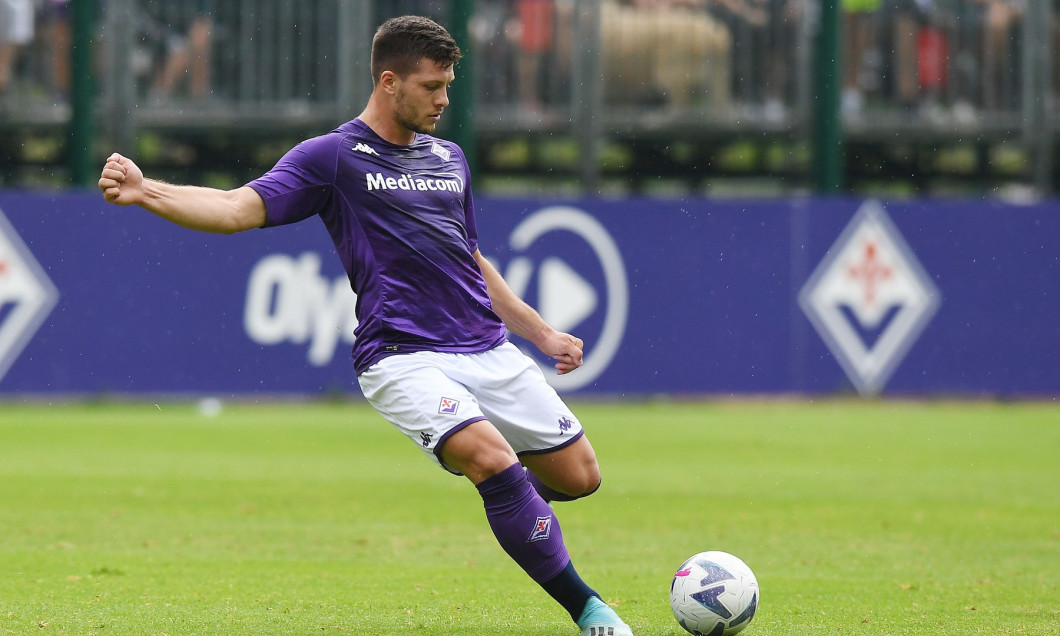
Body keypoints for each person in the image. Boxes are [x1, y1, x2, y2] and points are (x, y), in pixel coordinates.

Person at [98, 15, 634, 636]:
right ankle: (590, 610)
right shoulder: (332, 158)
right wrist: (147, 191)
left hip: (488, 350)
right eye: (432, 86)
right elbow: (236, 207)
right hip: (402, 356)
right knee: (493, 459)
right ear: (388, 82)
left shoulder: (449, 158)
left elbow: (471, 259)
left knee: (580, 477)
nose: (443, 100)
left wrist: (539, 333)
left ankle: (476, 459)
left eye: (448, 86)